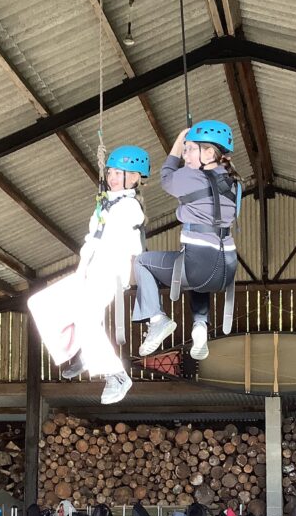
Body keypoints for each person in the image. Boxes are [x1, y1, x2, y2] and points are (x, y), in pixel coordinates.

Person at [132, 121, 240, 361]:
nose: (184, 154)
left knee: (142, 262)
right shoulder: (233, 182)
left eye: (190, 149)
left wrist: (178, 139)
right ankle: (200, 325)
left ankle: (157, 319)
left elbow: (166, 176)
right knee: (194, 274)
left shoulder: (191, 177)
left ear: (209, 153)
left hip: (199, 264)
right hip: (227, 267)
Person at [62, 145, 149, 405]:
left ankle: (116, 375)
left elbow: (116, 243)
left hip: (109, 270)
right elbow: (92, 238)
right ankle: (86, 353)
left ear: (134, 177)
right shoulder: (108, 202)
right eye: (110, 172)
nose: (111, 177)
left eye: (118, 173)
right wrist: (82, 270)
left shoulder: (130, 206)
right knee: (80, 317)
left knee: (86, 319)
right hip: (93, 269)